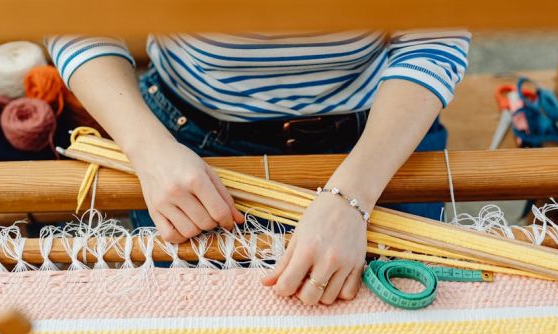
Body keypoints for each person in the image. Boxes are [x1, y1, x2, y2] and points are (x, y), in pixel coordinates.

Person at [47, 30, 470, 306]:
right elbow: (78, 22)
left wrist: (352, 195)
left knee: (413, 330)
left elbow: (433, 40)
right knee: (191, 326)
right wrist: (149, 151)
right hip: (182, 142)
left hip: (381, 133)